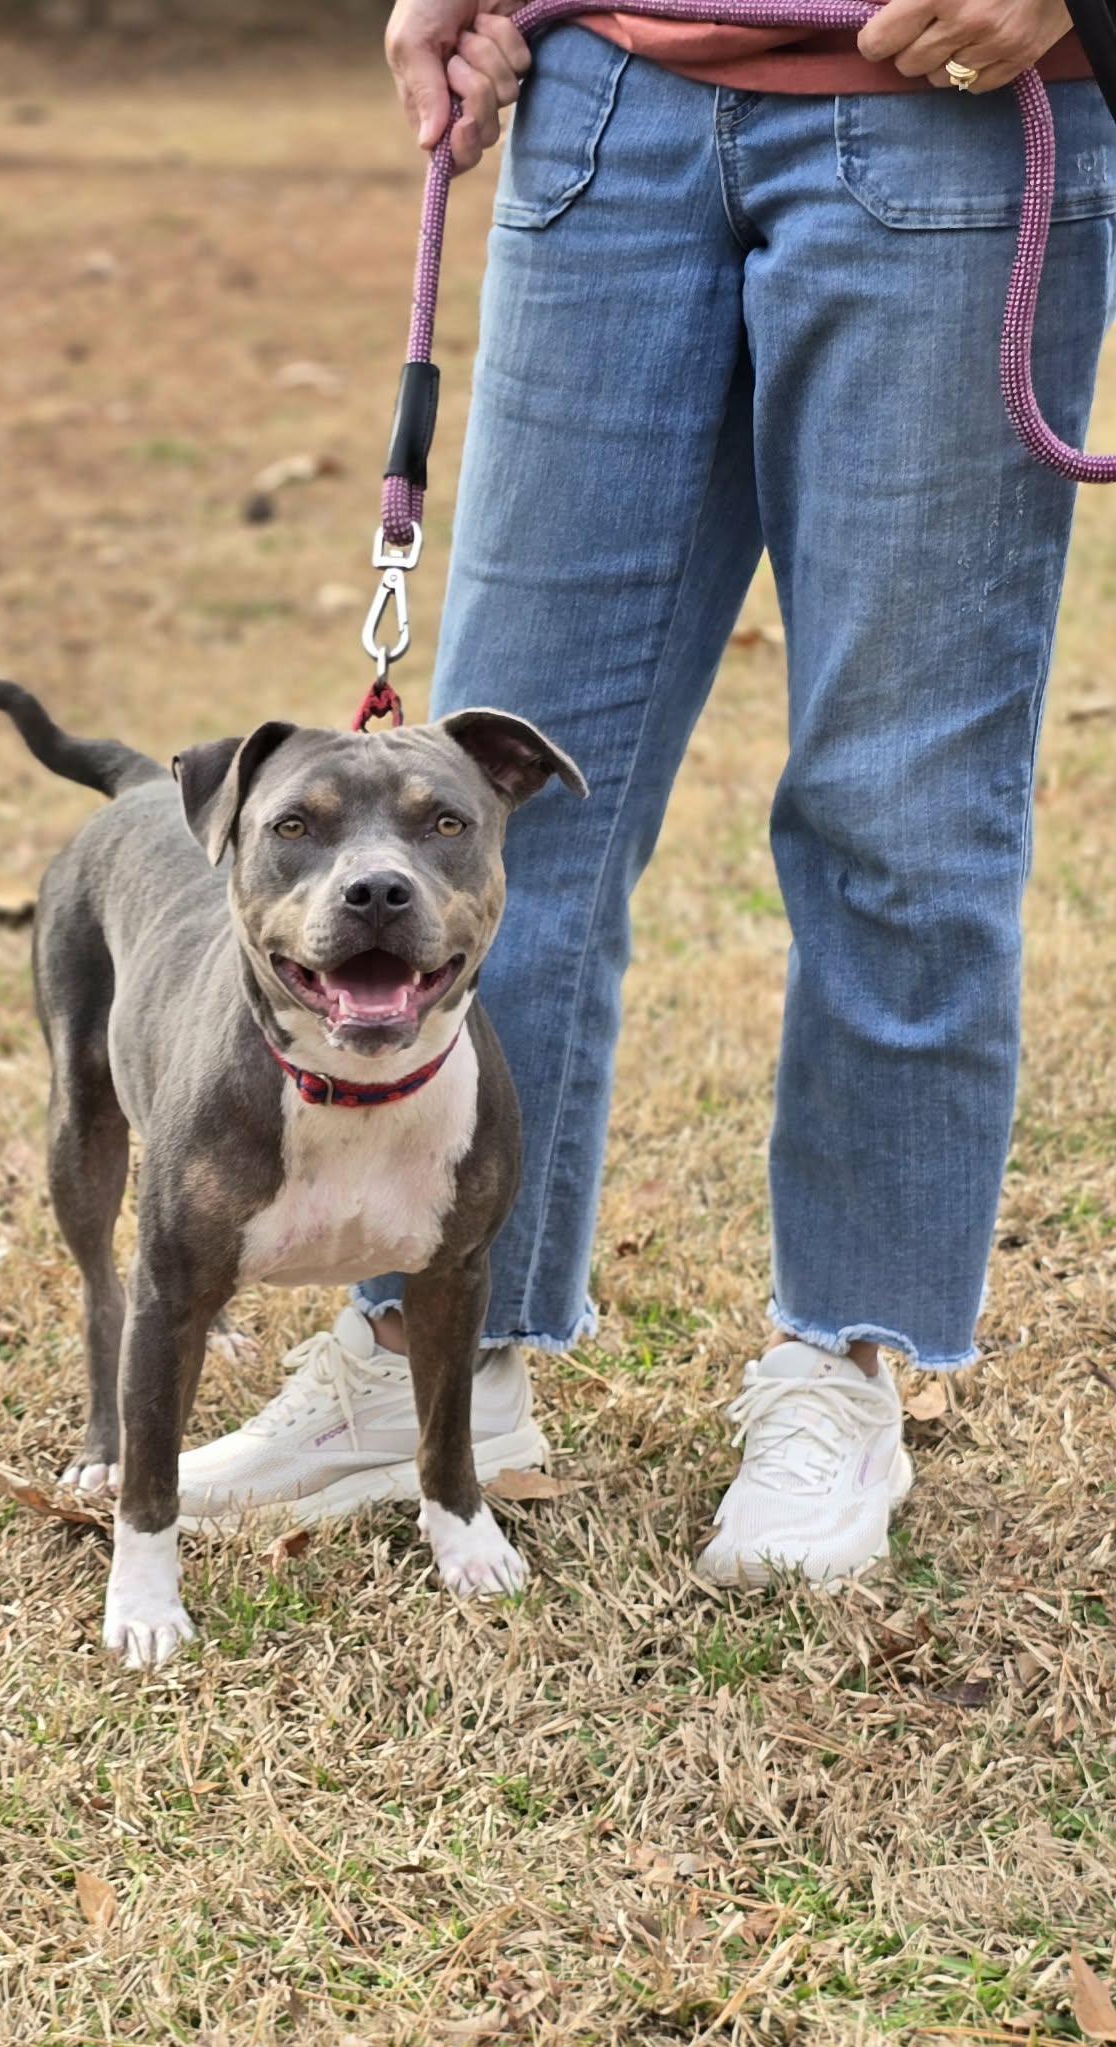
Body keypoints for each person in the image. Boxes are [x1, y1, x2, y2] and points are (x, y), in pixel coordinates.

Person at [177, 0, 1114, 1583]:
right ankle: (427, 1354)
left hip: (952, 108)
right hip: (609, 105)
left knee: (897, 814)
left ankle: (842, 1368)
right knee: (481, 815)